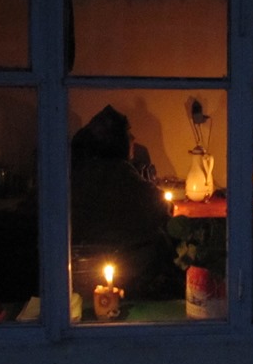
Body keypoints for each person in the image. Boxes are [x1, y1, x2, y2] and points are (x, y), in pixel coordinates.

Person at [71, 105, 179, 299]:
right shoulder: (119, 172)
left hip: (77, 276)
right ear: (117, 140)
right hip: (129, 276)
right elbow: (161, 208)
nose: (133, 139)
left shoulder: (76, 171)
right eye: (128, 133)